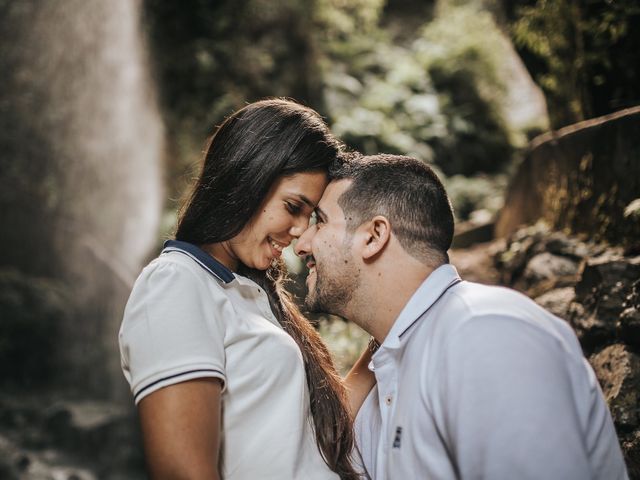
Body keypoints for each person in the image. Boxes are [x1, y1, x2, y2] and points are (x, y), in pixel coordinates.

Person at [294, 153, 628, 480]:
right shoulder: (387, 372)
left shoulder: (486, 333)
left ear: (373, 236)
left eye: (320, 221)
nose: (301, 244)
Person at [118, 99, 364, 479]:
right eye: (293, 206)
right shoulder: (175, 283)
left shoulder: (246, 291)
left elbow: (311, 433)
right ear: (248, 178)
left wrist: (396, 324)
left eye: (310, 215)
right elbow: (183, 472)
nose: (300, 230)